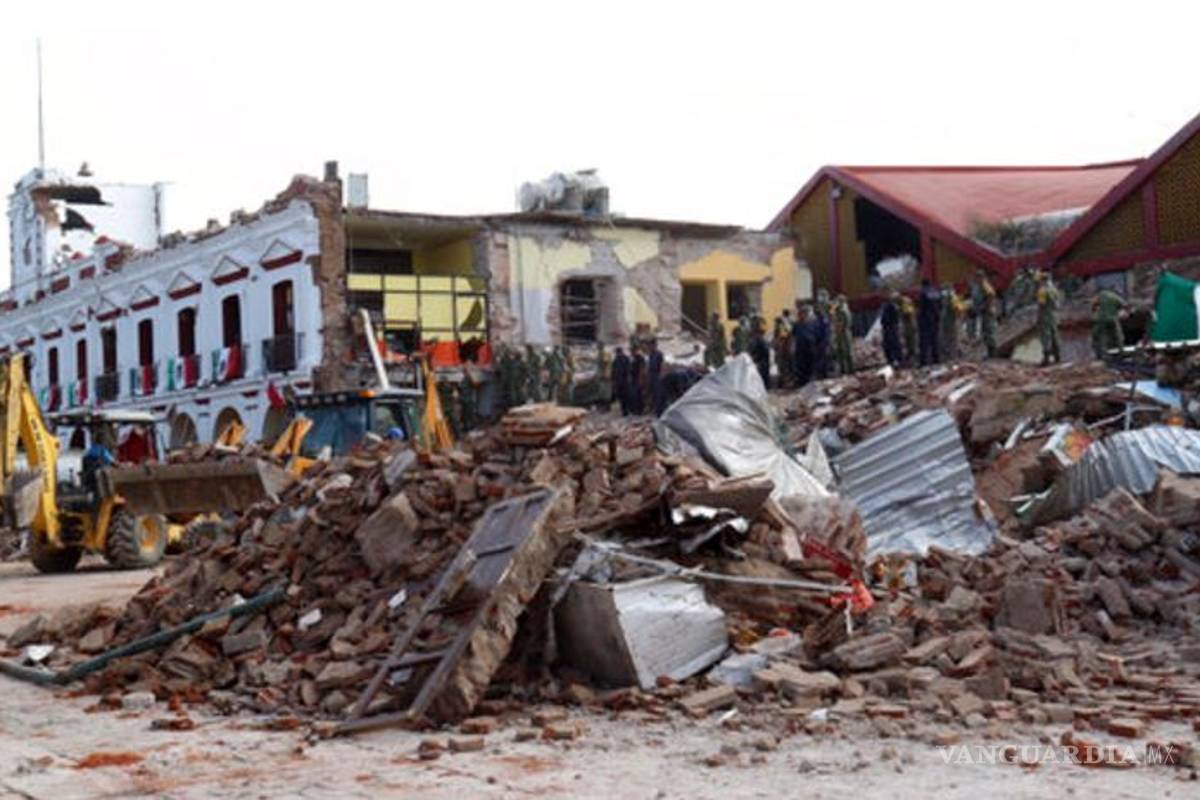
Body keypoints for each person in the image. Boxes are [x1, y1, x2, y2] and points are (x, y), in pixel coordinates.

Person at [1091, 288, 1127, 359]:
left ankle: (1104, 355)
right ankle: (1121, 352)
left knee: (1103, 336)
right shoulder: (1114, 296)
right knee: (1118, 335)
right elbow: (1124, 305)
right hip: (1113, 319)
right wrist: (1119, 311)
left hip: (1102, 319)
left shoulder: (1099, 296)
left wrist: (1096, 311)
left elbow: (1093, 306)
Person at [1036, 271, 1062, 365]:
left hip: (1045, 315)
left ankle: (1046, 358)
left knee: (1045, 335)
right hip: (1054, 314)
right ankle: (1057, 357)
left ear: (1042, 280)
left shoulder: (1042, 290)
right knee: (1054, 334)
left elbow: (1042, 304)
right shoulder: (1054, 289)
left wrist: (1038, 317)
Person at [917, 278, 942, 367]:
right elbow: (940, 306)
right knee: (935, 340)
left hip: (925, 320)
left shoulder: (923, 293)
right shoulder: (936, 292)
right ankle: (936, 359)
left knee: (924, 341)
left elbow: (921, 307)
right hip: (935, 319)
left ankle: (924, 361)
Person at [792, 304, 816, 386]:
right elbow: (793, 336)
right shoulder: (797, 324)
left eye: (805, 313)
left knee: (810, 363)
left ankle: (809, 380)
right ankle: (801, 380)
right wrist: (792, 347)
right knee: (800, 365)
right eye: (802, 313)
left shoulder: (813, 322)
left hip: (810, 346)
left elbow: (817, 335)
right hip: (800, 347)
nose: (803, 315)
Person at [940, 283, 965, 363]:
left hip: (944, 320)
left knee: (946, 338)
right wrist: (960, 317)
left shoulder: (941, 296)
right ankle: (954, 357)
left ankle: (948, 356)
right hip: (952, 320)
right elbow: (958, 308)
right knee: (954, 338)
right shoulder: (952, 296)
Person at [978, 273, 999, 359]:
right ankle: (990, 352)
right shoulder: (982, 285)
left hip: (988, 312)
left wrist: (987, 306)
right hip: (987, 311)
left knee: (989, 330)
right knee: (986, 331)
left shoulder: (985, 285)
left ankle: (992, 353)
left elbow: (991, 295)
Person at [831, 295, 853, 376]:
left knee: (847, 351)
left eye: (837, 301)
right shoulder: (836, 310)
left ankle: (850, 369)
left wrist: (839, 326)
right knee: (839, 351)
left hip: (844, 333)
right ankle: (843, 369)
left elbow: (846, 323)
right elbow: (833, 318)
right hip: (838, 333)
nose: (835, 303)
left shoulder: (844, 310)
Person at [812, 291, 832, 379]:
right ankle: (820, 373)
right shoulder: (817, 316)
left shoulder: (826, 314)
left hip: (824, 338)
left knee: (824, 356)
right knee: (819, 357)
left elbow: (827, 327)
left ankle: (824, 373)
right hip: (818, 338)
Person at [880, 291, 903, 366]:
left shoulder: (890, 306)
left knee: (892, 344)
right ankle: (895, 359)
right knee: (892, 344)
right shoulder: (891, 306)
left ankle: (895, 359)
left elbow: (892, 318)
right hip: (890, 327)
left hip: (890, 327)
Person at [748, 319, 772, 388]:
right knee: (763, 372)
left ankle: (766, 385)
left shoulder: (761, 340)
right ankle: (766, 385)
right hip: (762, 357)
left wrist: (755, 357)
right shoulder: (760, 339)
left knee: (763, 372)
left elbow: (763, 350)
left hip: (762, 358)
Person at [646, 338, 666, 416]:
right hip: (652, 375)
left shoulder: (659, 354)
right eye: (649, 346)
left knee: (658, 394)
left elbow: (661, 366)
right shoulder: (651, 355)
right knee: (653, 393)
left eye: (651, 345)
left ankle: (659, 412)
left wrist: (661, 375)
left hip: (657, 375)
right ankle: (654, 409)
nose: (650, 347)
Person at [611, 346, 631, 416]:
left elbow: (628, 370)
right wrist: (613, 381)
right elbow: (613, 371)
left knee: (625, 396)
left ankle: (626, 411)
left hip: (624, 380)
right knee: (621, 396)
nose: (618, 354)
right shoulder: (616, 360)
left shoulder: (625, 359)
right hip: (619, 381)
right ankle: (624, 411)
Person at [900, 294, 917, 366]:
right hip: (909, 325)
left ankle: (912, 358)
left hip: (909, 326)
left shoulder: (905, 302)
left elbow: (907, 313)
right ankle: (911, 357)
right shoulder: (907, 302)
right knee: (909, 342)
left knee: (911, 342)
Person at [629, 345, 646, 414]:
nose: (631, 352)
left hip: (638, 378)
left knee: (638, 395)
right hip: (633, 379)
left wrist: (641, 379)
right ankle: (635, 409)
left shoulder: (639, 358)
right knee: (633, 395)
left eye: (632, 350)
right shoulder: (632, 358)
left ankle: (640, 410)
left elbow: (642, 368)